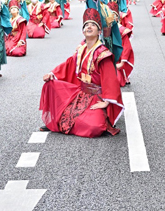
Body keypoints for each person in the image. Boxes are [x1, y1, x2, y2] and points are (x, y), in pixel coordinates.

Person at [39, 8, 124, 137]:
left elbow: (110, 80)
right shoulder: (81, 51)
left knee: (94, 127)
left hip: (97, 96)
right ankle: (58, 120)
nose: (89, 27)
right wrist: (52, 73)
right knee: (51, 84)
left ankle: (89, 117)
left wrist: (106, 102)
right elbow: (67, 65)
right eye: (86, 25)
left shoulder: (103, 54)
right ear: (83, 31)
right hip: (80, 92)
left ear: (99, 31)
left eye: (93, 25)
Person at [108, 1, 135, 87]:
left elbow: (127, 48)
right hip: (105, 60)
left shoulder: (122, 31)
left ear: (117, 18)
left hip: (118, 61)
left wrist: (122, 63)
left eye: (114, 15)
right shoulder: (103, 30)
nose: (111, 18)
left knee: (116, 81)